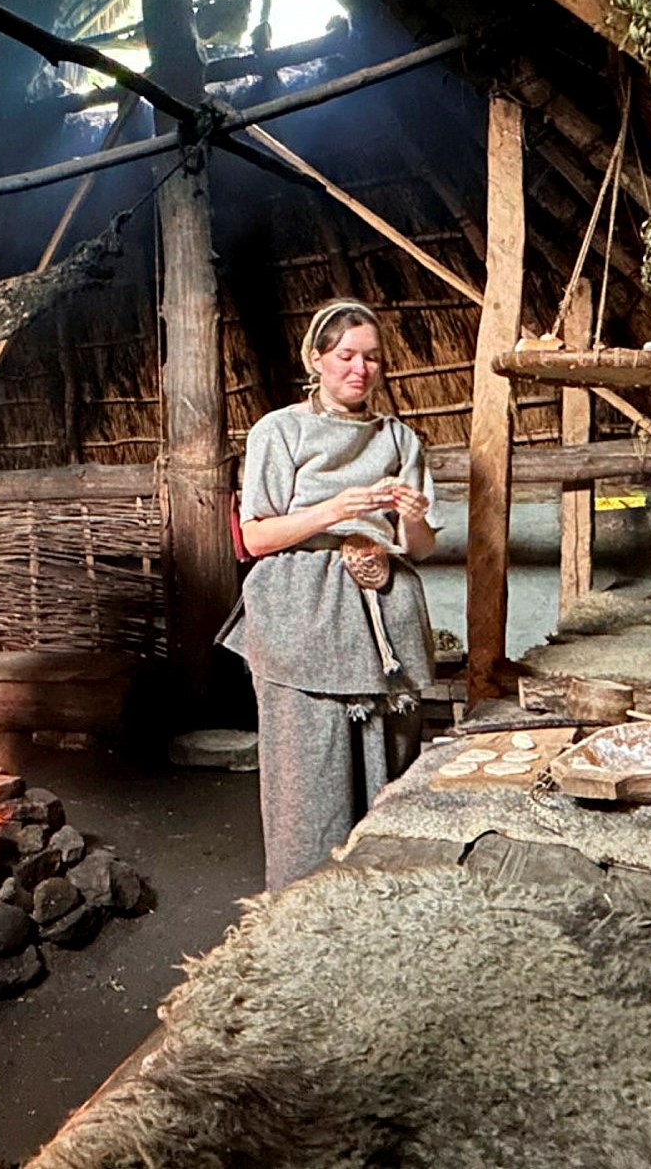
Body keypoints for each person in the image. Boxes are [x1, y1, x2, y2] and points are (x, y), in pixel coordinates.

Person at [219, 298, 440, 890]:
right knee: (308, 782)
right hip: (303, 616)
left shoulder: (399, 438)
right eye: (346, 355)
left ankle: (377, 905)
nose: (359, 369)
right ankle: (301, 908)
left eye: (371, 358)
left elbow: (418, 549)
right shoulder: (280, 430)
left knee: (391, 766)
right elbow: (258, 536)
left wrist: (412, 520)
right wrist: (334, 512)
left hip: (382, 615)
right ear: (316, 359)